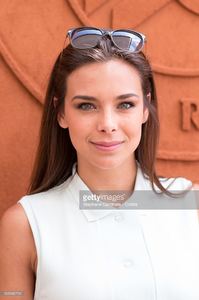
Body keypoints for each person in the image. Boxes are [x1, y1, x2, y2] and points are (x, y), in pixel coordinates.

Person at [0, 27, 198, 300]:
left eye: (125, 105)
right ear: (61, 113)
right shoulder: (24, 224)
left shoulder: (191, 206)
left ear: (144, 109)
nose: (107, 125)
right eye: (86, 106)